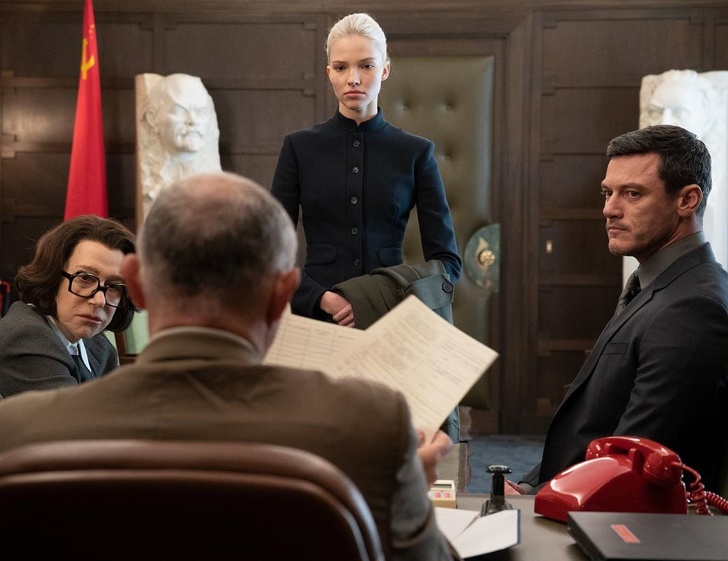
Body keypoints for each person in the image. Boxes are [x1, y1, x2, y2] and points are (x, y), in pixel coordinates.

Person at [0, 172, 460, 561]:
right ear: (283, 295)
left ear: (135, 285)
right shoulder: (373, 426)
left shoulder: (17, 433)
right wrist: (406, 498)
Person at [514, 125, 728, 493]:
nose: (609, 209)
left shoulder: (695, 308)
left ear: (687, 201)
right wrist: (528, 487)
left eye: (632, 194)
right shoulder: (658, 283)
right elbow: (593, 424)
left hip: (619, 517)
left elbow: (633, 460)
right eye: (608, 192)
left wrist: (538, 498)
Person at [271, 12, 461, 327]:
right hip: (315, 319)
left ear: (385, 70)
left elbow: (447, 264)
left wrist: (376, 299)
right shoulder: (299, 148)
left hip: (389, 321)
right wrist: (322, 299)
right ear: (329, 72)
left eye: (366, 66)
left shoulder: (415, 153)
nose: (353, 79)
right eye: (341, 67)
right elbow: (268, 256)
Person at [0, 215, 136, 398]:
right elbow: (78, 417)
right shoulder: (26, 337)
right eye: (85, 278)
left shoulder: (97, 344)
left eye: (113, 286)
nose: (99, 300)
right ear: (52, 278)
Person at [138, 72, 221, 218]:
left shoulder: (219, 186)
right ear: (152, 118)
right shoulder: (154, 181)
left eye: (201, 112)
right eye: (180, 111)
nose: (193, 121)